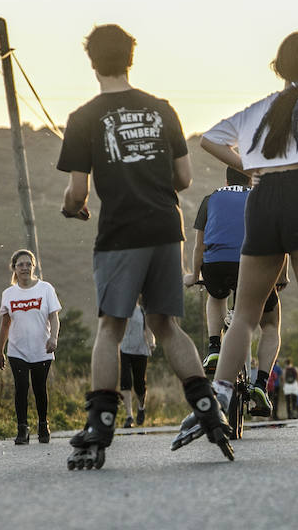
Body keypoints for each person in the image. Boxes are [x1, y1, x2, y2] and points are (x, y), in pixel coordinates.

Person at [57, 24, 232, 467]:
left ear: (92, 61)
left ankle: (100, 422)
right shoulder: (161, 110)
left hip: (120, 233)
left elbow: (78, 194)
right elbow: (185, 179)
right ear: (131, 58)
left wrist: (70, 208)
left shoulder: (83, 118)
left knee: (111, 328)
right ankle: (208, 408)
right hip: (164, 228)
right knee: (167, 325)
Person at [199, 31, 298, 455]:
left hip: (262, 199)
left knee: (245, 314)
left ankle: (219, 396)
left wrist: (249, 167)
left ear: (277, 67)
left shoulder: (257, 109)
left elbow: (208, 139)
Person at [184, 166, 287, 419]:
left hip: (216, 263)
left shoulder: (211, 198)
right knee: (271, 325)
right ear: (251, 177)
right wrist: (281, 277)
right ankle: (261, 383)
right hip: (253, 264)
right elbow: (280, 241)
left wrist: (195, 275)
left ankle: (214, 347)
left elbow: (199, 245)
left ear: (227, 178)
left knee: (215, 295)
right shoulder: (262, 197)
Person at [0, 249, 61, 445]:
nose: (25, 268)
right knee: (21, 388)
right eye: (20, 264)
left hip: (42, 349)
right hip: (17, 350)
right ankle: (22, 429)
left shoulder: (46, 289)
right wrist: (0, 351)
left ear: (34, 266)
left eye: (28, 264)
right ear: (14, 268)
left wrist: (53, 338)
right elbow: (5, 324)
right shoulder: (8, 293)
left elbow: (54, 317)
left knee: (40, 389)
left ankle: (43, 425)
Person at [119, 300, 156, 428]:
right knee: (125, 381)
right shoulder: (121, 310)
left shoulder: (141, 311)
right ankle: (129, 416)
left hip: (141, 351)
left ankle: (141, 407)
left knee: (139, 385)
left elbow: (148, 328)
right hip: (124, 350)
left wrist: (151, 342)